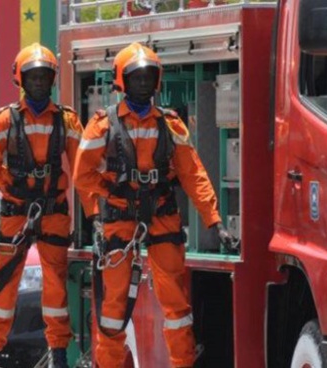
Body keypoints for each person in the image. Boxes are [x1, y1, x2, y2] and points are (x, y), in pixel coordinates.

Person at [73, 42, 235, 368]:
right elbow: (82, 174)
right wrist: (112, 195)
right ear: (122, 80)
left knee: (176, 304)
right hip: (120, 219)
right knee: (113, 307)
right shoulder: (103, 125)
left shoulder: (171, 124)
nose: (143, 83)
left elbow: (194, 175)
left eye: (149, 77)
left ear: (157, 80)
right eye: (136, 77)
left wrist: (214, 220)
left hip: (162, 217)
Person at [0, 43, 96, 368]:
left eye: (44, 76)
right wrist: (14, 190)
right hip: (16, 214)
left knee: (56, 286)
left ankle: (58, 354)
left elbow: (83, 172)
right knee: (4, 286)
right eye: (33, 77)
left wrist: (96, 217)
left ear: (53, 79)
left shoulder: (68, 121)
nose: (39, 82)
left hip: (54, 213)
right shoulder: (3, 121)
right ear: (21, 79)